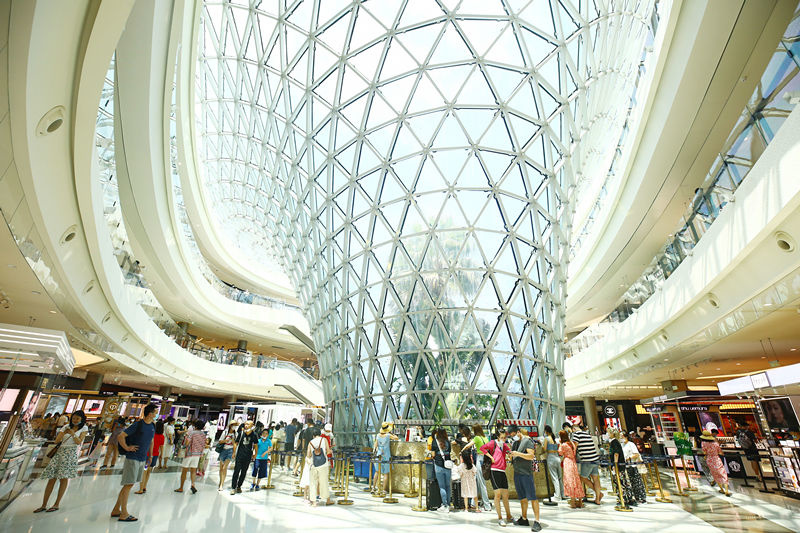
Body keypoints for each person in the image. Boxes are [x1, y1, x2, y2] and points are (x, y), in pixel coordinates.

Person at [34, 411, 88, 513]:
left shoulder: (84, 428)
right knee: (52, 478)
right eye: (73, 418)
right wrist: (63, 432)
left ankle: (56, 504)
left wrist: (72, 434)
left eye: (77, 418)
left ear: (81, 419)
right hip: (60, 452)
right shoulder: (66, 426)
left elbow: (78, 442)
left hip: (70, 453)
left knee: (63, 478)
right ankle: (44, 504)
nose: (75, 420)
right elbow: (56, 441)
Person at [112, 403, 157, 522]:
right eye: (155, 412)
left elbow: (151, 441)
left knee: (129, 484)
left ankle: (116, 509)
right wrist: (127, 448)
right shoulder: (138, 424)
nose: (156, 414)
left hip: (142, 458)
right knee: (128, 484)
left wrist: (150, 455)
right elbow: (121, 436)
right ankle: (124, 513)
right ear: (150, 413)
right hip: (133, 458)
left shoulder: (152, 425)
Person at [508, 426, 542, 531]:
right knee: (522, 497)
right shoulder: (515, 443)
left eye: (514, 435)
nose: (513, 437)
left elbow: (531, 456)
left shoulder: (527, 441)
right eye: (511, 436)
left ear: (518, 432)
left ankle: (537, 521)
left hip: (526, 473)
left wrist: (518, 454)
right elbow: (512, 456)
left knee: (532, 497)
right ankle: (524, 518)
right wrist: (510, 456)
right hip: (517, 473)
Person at [480, 427, 513, 526]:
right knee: (498, 495)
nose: (504, 439)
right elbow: (482, 448)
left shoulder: (504, 445)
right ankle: (500, 517)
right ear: (498, 437)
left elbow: (510, 452)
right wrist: (491, 457)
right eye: (502, 437)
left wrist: (509, 457)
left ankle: (509, 516)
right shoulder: (493, 443)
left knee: (505, 495)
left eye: (505, 437)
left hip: (502, 470)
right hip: (494, 470)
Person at [571, 422, 603, 504]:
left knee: (583, 478)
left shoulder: (576, 435)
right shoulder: (587, 434)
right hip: (595, 458)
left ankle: (599, 494)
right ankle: (598, 499)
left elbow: (574, 447)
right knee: (595, 478)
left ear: (573, 429)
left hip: (587, 460)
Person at [175, 419, 206, 494]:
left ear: (195, 426)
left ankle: (181, 487)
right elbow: (203, 445)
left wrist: (184, 445)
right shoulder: (203, 434)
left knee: (184, 471)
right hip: (197, 454)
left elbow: (187, 442)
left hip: (189, 453)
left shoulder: (192, 433)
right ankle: (193, 484)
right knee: (193, 471)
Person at [134, 420, 165, 495]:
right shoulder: (162, 437)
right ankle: (144, 486)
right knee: (149, 471)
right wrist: (161, 455)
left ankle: (141, 489)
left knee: (144, 471)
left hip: (148, 455)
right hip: (155, 456)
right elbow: (161, 447)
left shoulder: (152, 434)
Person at [307, 426, 334, 506]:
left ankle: (314, 502)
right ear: (320, 433)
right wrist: (329, 451)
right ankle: (327, 500)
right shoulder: (324, 440)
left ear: (313, 435)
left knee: (313, 483)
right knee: (324, 482)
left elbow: (308, 455)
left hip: (313, 464)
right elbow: (328, 452)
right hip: (323, 464)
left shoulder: (310, 442)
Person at [558, 430, 584, 508]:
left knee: (570, 481)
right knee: (576, 481)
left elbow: (560, 453)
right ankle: (580, 502)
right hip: (573, 462)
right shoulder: (572, 443)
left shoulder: (563, 445)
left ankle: (572, 502)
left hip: (567, 462)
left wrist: (560, 444)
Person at [700, 430, 731, 496]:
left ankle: (721, 489)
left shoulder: (703, 443)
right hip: (716, 459)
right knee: (722, 473)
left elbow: (704, 452)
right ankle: (727, 490)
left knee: (715, 474)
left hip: (709, 460)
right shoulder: (715, 443)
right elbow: (720, 452)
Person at [230, 420, 258, 494]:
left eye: (248, 424)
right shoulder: (241, 433)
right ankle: (233, 487)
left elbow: (255, 445)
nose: (246, 425)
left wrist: (255, 454)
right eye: (245, 424)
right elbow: (236, 443)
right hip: (239, 455)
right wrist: (234, 452)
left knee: (243, 472)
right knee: (236, 471)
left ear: (252, 426)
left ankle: (239, 486)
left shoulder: (254, 435)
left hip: (248, 456)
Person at [608, 429, 635, 507]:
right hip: (621, 465)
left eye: (609, 432)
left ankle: (623, 499)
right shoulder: (616, 442)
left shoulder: (614, 442)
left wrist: (615, 465)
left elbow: (616, 453)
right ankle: (629, 498)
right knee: (624, 482)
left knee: (620, 482)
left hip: (618, 465)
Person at [430, 427, 453, 512]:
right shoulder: (448, 442)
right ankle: (449, 504)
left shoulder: (435, 442)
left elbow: (433, 454)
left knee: (442, 487)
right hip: (448, 466)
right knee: (448, 486)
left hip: (439, 466)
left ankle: (445, 505)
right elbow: (449, 452)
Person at [620, 432, 646, 504]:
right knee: (629, 482)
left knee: (636, 481)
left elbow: (636, 454)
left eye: (622, 436)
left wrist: (628, 458)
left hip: (633, 465)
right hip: (626, 465)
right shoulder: (622, 445)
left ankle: (641, 497)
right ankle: (632, 496)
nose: (621, 438)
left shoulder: (631, 444)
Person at [374, 422, 400, 494]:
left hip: (379, 455)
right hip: (386, 455)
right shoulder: (388, 435)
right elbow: (397, 438)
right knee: (386, 473)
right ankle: (384, 490)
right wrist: (392, 432)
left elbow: (375, 445)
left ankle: (373, 488)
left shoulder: (378, 435)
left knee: (377, 472)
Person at [471, 424, 492, 511]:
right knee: (477, 481)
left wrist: (463, 449)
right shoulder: (486, 438)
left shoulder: (476, 438)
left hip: (479, 459)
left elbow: (469, 444)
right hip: (485, 460)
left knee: (481, 483)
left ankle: (487, 505)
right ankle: (473, 502)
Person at [542, 425, 564, 500]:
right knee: (560, 477)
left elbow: (544, 449)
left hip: (551, 458)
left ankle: (557, 496)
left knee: (554, 477)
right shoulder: (556, 439)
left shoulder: (546, 439)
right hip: (557, 458)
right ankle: (563, 494)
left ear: (546, 431)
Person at [457, 445, 478, 512]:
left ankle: (466, 508)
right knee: (474, 495)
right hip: (472, 481)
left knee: (465, 495)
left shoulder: (461, 466)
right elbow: (475, 472)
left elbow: (460, 474)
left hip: (464, 481)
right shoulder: (471, 465)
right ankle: (477, 508)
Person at [217, 422, 237, 490]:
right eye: (233, 425)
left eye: (235, 425)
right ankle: (220, 481)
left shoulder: (235, 434)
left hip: (230, 451)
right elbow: (220, 441)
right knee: (221, 468)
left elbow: (235, 444)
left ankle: (221, 484)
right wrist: (226, 440)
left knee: (224, 467)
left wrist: (234, 453)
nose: (234, 427)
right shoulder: (225, 432)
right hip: (223, 450)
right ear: (230, 426)